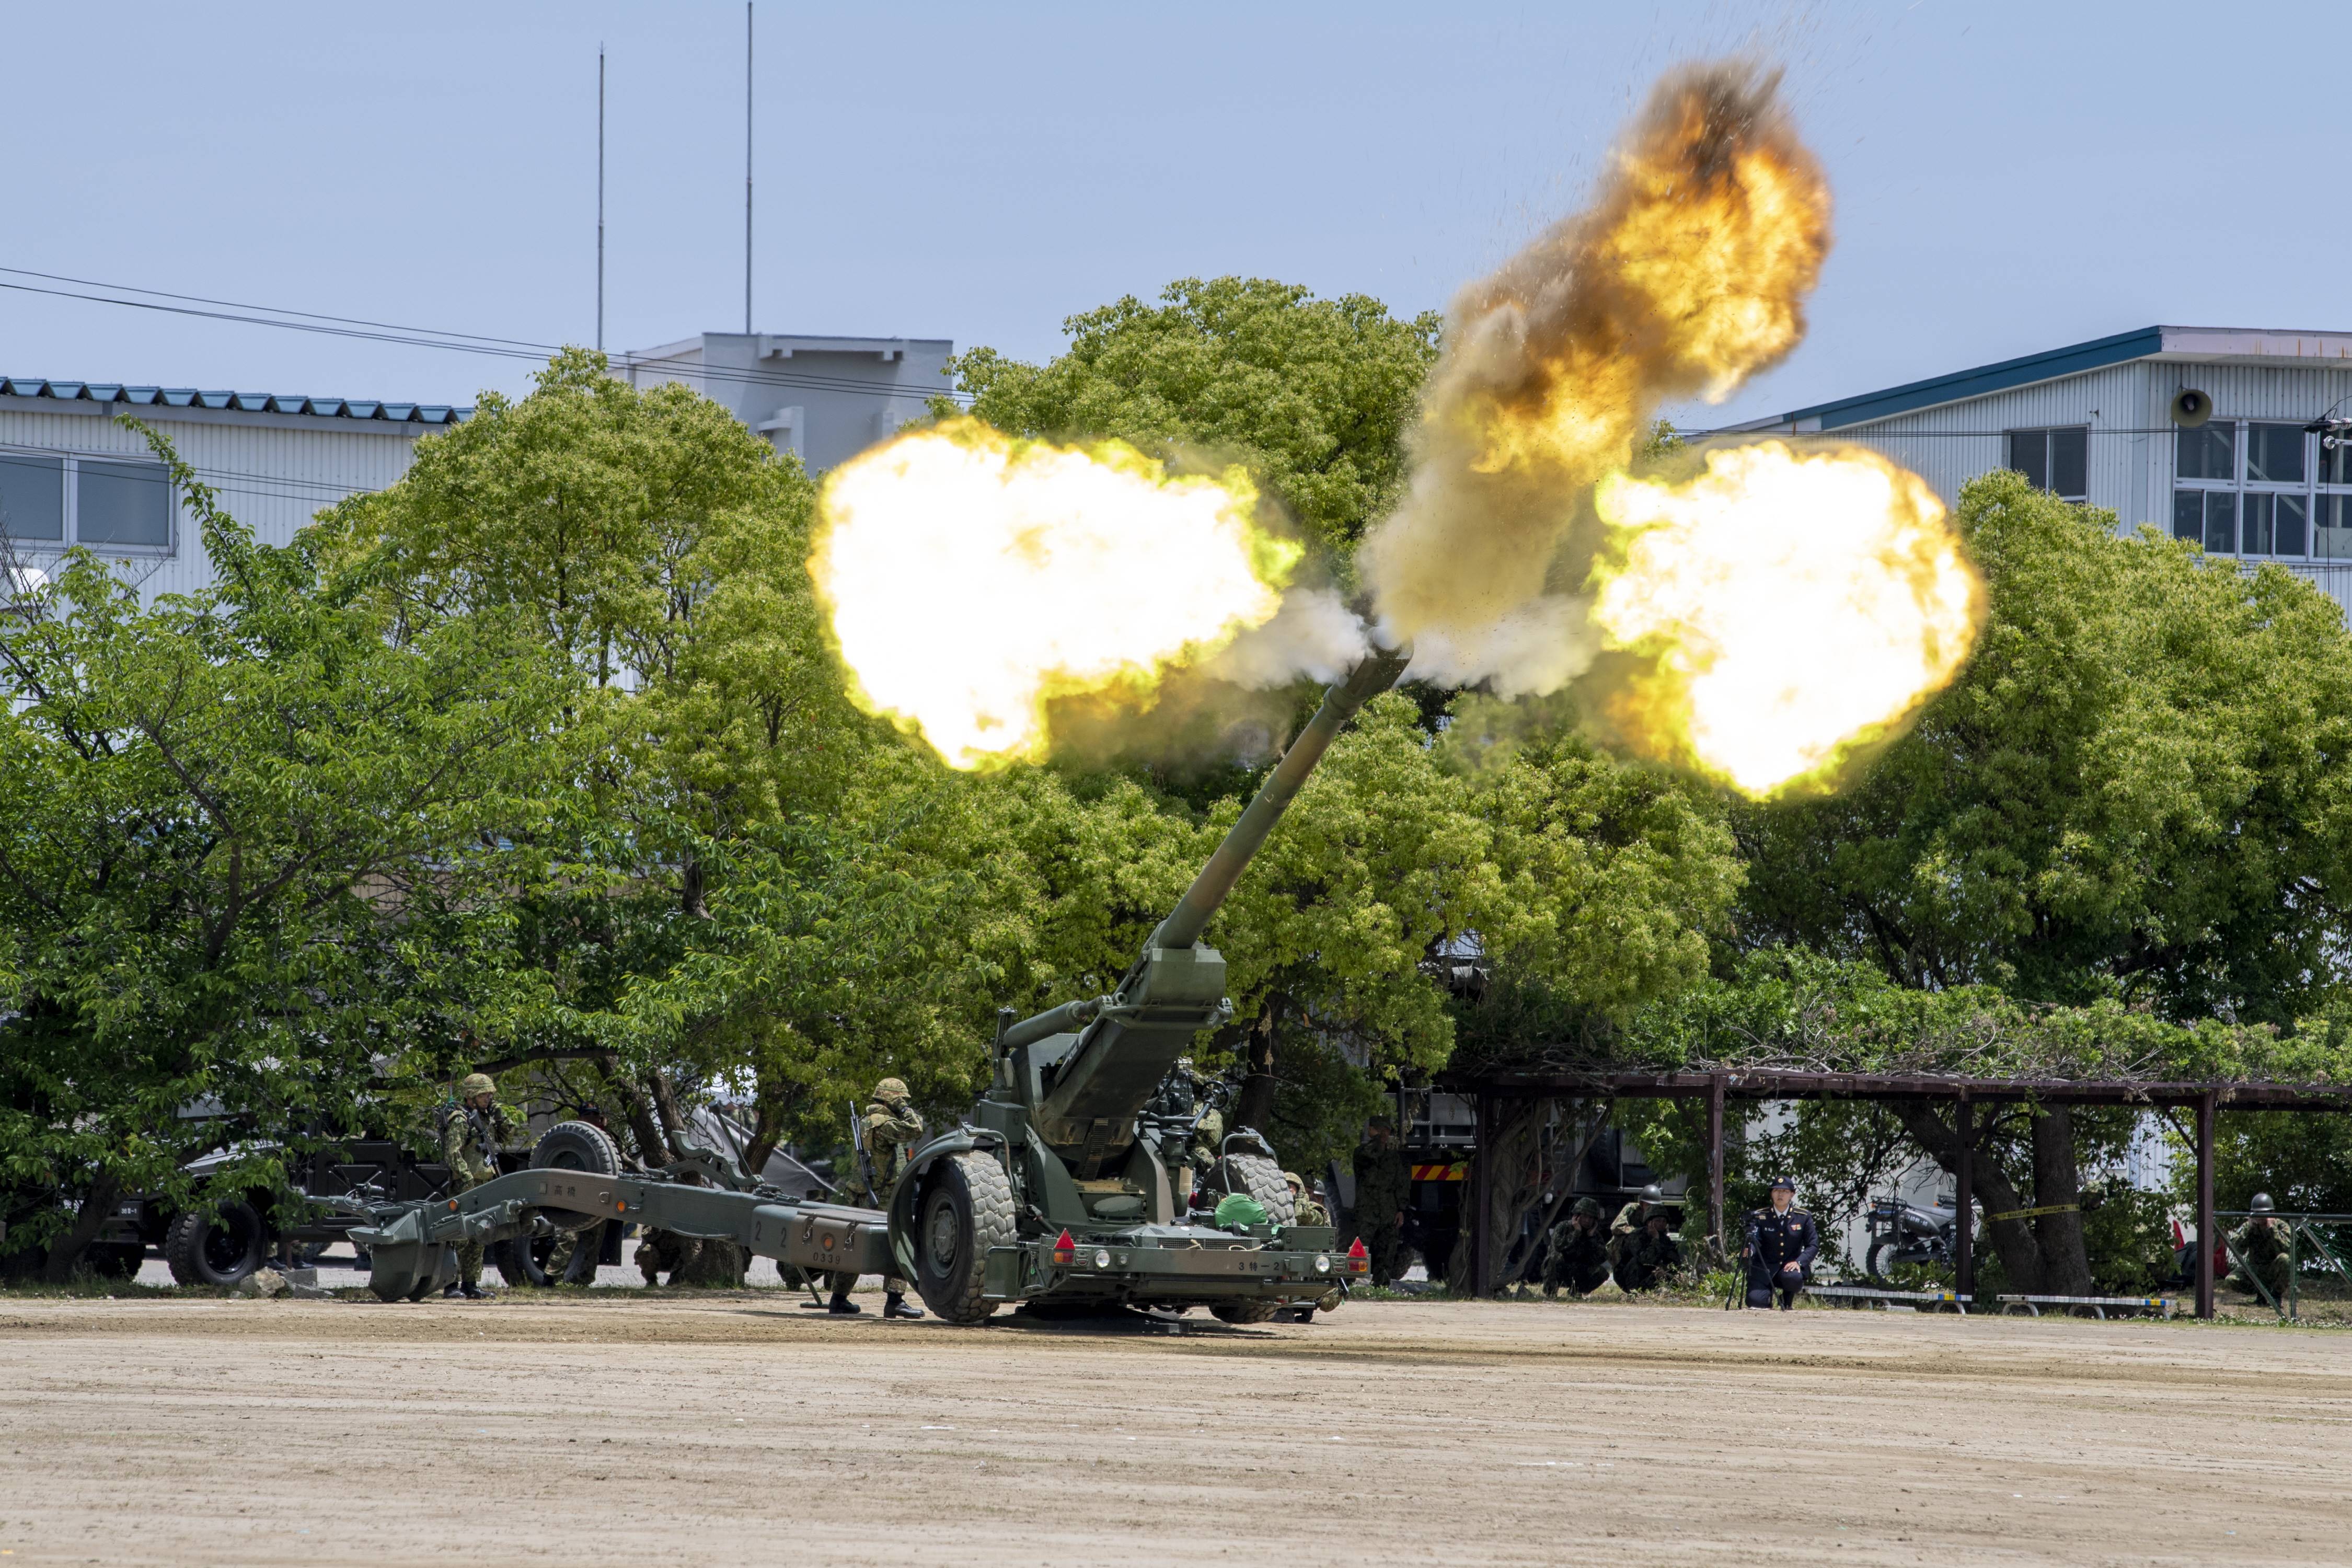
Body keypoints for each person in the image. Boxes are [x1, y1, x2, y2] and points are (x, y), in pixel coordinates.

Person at [827, 1077, 927, 1319]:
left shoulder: (865, 1121)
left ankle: (838, 1299)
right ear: (891, 1099)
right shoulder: (884, 1124)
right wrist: (904, 1108)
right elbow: (916, 1128)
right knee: (899, 1244)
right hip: (884, 1195)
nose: (903, 1104)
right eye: (900, 1099)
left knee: (853, 1245)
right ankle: (895, 1301)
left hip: (862, 1192)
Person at [439, 1072, 518, 1300]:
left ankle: (471, 1284)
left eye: (490, 1095)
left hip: (485, 1184)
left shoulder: (485, 1118)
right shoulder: (460, 1120)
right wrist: (466, 1178)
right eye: (484, 1095)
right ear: (471, 1096)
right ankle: (451, 1284)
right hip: (466, 1186)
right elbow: (452, 1154)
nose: (488, 1098)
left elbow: (507, 1137)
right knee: (460, 1236)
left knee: (480, 1234)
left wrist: (500, 1116)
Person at [544, 1106, 616, 1285]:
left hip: (597, 1198)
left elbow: (617, 1158)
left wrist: (604, 1129)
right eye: (587, 1115)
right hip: (571, 1198)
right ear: (580, 1118)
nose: (591, 1119)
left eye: (595, 1115)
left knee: (593, 1242)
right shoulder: (573, 1135)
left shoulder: (606, 1139)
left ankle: (583, 1280)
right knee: (567, 1238)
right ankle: (550, 1278)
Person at [1745, 1176, 1819, 1310]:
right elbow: (1756, 1240)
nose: (1780, 1194)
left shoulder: (1803, 1216)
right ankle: (1766, 1296)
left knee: (1794, 1278)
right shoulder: (1760, 1216)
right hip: (1765, 1268)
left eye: (1785, 1191)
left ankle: (1787, 1298)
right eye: (1776, 1191)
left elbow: (1813, 1245)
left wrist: (1799, 1262)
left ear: (1792, 1194)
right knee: (1755, 1302)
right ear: (1771, 1194)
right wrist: (1750, 1250)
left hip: (1788, 1269)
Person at [1351, 1121, 1410, 1287]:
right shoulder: (1362, 1153)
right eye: (1380, 1130)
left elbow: (1401, 1184)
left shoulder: (1393, 1157)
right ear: (1371, 1131)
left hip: (1388, 1210)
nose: (1384, 1135)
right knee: (1359, 1247)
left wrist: (1401, 1209)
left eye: (1387, 1131)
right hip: (1367, 1210)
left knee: (1387, 1249)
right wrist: (1377, 1140)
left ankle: (1381, 1284)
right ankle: (1349, 1281)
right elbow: (1370, 1156)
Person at [2228, 1192, 2293, 1303]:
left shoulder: (2281, 1226)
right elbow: (2238, 1249)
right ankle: (2261, 1293)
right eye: (2257, 1213)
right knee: (2231, 1279)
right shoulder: (2248, 1226)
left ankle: (2276, 1295)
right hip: (2255, 1269)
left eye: (2264, 1213)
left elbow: (2286, 1248)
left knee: (2285, 1259)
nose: (2260, 1217)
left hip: (2273, 1268)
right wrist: (2248, 1229)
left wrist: (2272, 1229)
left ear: (2272, 1213)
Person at [1542, 1197, 1611, 1297]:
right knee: (1553, 1259)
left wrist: (1591, 1238)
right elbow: (1558, 1247)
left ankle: (1576, 1292)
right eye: (1585, 1216)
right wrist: (1576, 1233)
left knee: (1602, 1273)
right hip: (1560, 1268)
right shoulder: (1564, 1227)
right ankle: (1551, 1292)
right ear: (1577, 1216)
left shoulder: (1594, 1235)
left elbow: (1602, 1258)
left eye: (1591, 1218)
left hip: (1578, 1271)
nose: (1587, 1221)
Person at [1615, 1209, 1683, 1292]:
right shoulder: (1636, 1237)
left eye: (1664, 1221)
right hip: (1628, 1277)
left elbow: (1675, 1260)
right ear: (1649, 1223)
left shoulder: (1665, 1240)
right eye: (1658, 1221)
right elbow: (1646, 1260)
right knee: (1635, 1262)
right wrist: (1656, 1240)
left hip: (1649, 1276)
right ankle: (1635, 1292)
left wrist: (1664, 1269)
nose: (1661, 1224)